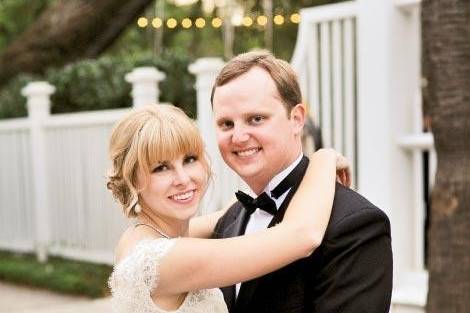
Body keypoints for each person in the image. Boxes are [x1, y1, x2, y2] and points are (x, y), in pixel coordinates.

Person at [107, 104, 350, 313]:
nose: (182, 178)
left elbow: (231, 214)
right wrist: (323, 159)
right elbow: (302, 236)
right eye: (161, 168)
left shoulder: (140, 237)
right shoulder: (165, 260)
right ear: (133, 180)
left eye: (189, 159)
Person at [210, 51, 393, 313]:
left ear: (296, 119)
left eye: (256, 119)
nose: (238, 137)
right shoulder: (228, 221)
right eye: (226, 124)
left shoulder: (355, 224)